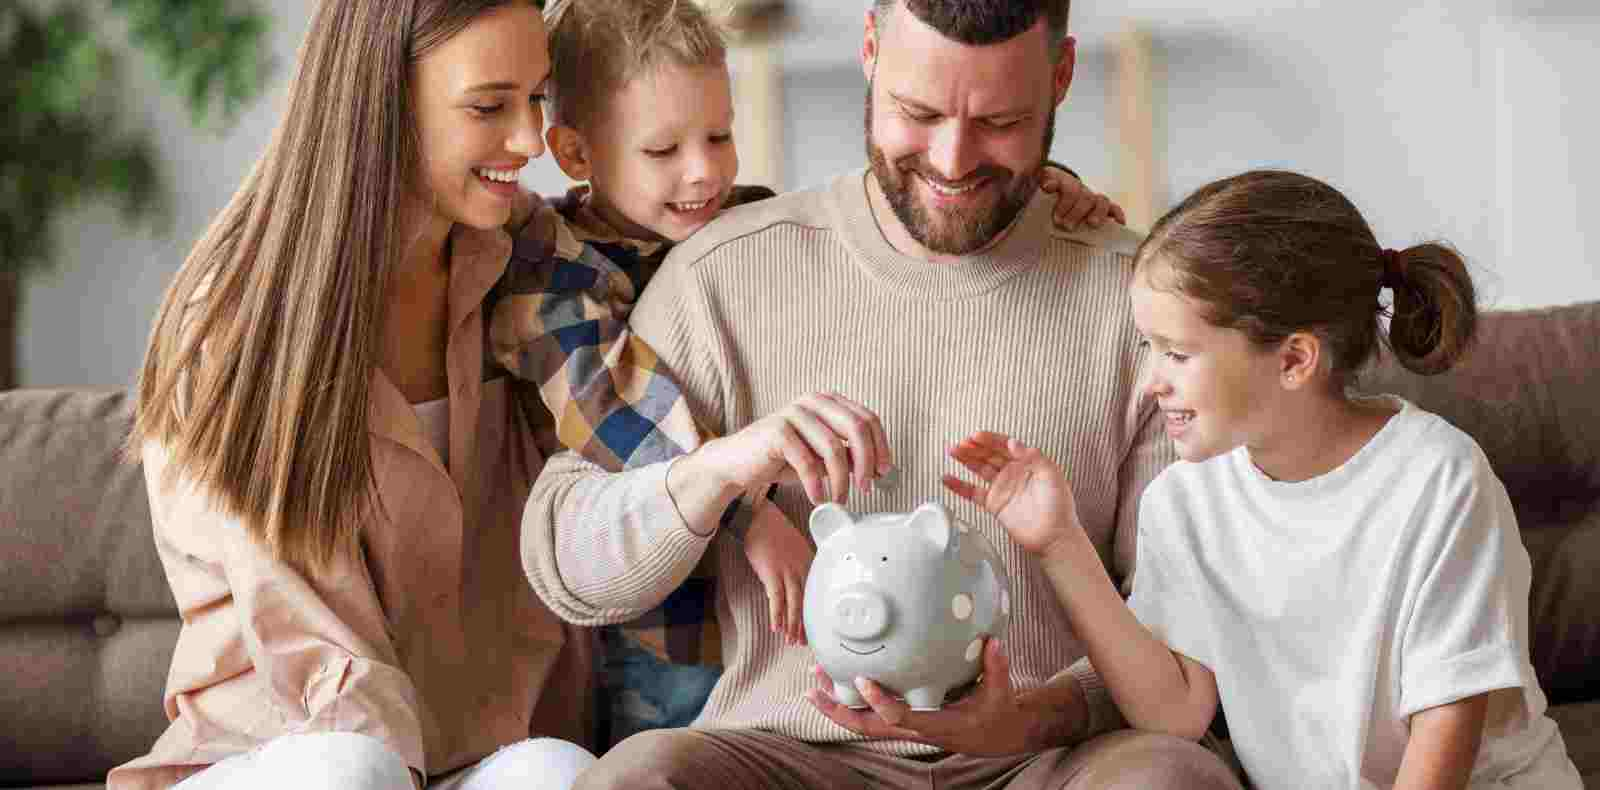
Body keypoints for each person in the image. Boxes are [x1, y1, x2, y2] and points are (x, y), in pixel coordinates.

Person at [521, 1, 1244, 787]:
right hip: (786, 755)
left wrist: (1025, 718)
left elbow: (1184, 631)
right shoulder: (717, 272)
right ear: (869, 50)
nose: (953, 158)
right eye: (918, 112)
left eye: (999, 121)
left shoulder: (1138, 301)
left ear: (1061, 76)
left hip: (1052, 758)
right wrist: (722, 471)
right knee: (638, 779)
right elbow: (570, 566)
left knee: (1171, 780)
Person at [941, 170, 1584, 788]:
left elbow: (1446, 723)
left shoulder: (1438, 481)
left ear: (1295, 360)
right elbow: (1175, 711)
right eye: (1147, 348)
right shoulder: (1185, 500)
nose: (1151, 382)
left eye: (1178, 353)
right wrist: (1059, 542)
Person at [109, 1, 599, 787]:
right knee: (351, 767)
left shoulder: (526, 269)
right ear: (383, 99)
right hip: (280, 748)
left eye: (537, 98)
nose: (530, 141)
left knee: (559, 773)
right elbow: (306, 640)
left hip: (461, 754)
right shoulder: (237, 321)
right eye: (488, 106)